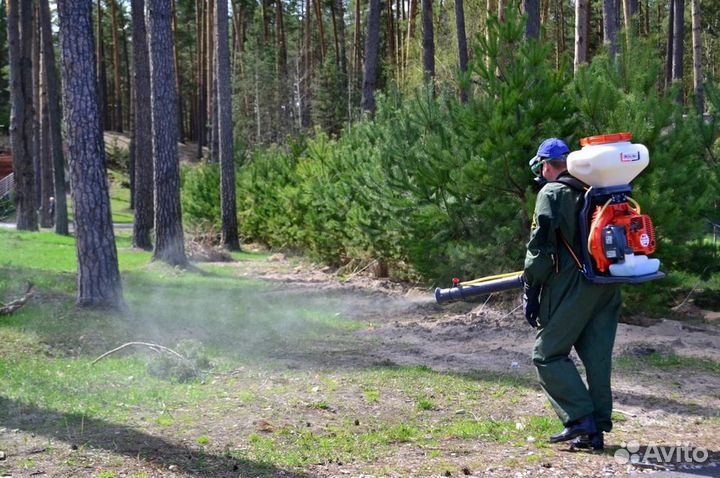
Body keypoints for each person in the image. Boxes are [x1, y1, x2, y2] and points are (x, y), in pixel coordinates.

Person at [523, 138, 622, 451]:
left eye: (541, 168)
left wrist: (531, 287)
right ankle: (595, 429)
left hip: (572, 285)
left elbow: (540, 247)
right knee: (596, 358)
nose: (540, 174)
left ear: (547, 165)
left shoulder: (552, 193)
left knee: (547, 354)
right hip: (607, 284)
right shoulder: (597, 188)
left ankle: (580, 419)